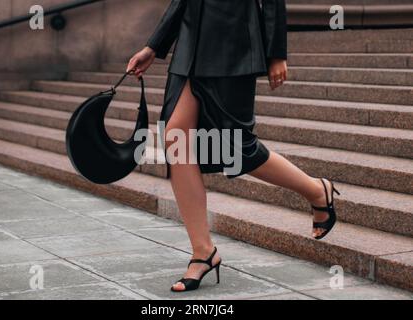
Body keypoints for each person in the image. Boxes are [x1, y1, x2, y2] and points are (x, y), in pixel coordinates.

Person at [127, 0, 340, 292]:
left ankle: (317, 190)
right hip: (190, 47)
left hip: (234, 44)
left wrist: (276, 53)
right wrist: (154, 46)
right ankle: (203, 251)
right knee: (175, 139)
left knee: (238, 148)